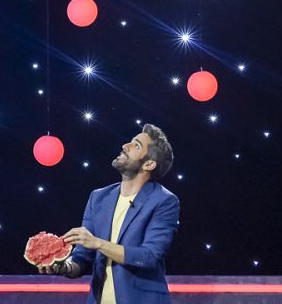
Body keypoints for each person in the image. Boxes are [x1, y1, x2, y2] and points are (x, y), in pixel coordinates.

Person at [42, 125, 179, 304]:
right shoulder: (98, 198)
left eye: (136, 145)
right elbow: (81, 258)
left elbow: (149, 257)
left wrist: (97, 243)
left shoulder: (164, 201)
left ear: (149, 164)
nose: (125, 145)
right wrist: (63, 267)